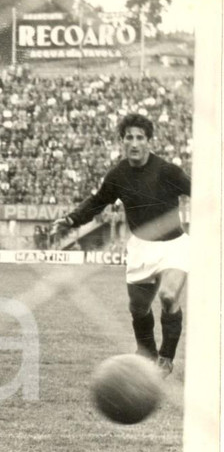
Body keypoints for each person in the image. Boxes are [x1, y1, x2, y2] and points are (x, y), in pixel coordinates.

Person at [52, 113, 191, 377]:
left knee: (168, 296)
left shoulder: (168, 171)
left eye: (140, 137)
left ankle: (166, 358)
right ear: (122, 141)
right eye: (129, 137)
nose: (134, 143)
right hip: (141, 247)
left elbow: (201, 191)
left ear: (149, 141)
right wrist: (71, 219)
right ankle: (146, 354)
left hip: (174, 245)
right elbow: (98, 201)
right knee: (138, 308)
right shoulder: (118, 175)